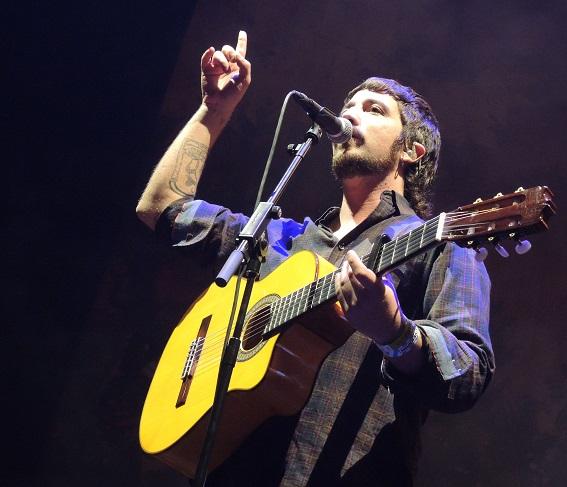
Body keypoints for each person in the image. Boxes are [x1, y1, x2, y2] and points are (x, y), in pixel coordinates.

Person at [136, 30, 494, 487]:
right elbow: (161, 206)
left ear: (411, 151)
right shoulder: (277, 239)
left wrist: (396, 332)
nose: (350, 113)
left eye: (374, 109)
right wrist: (215, 109)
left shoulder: (444, 243)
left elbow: (469, 373)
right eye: (349, 107)